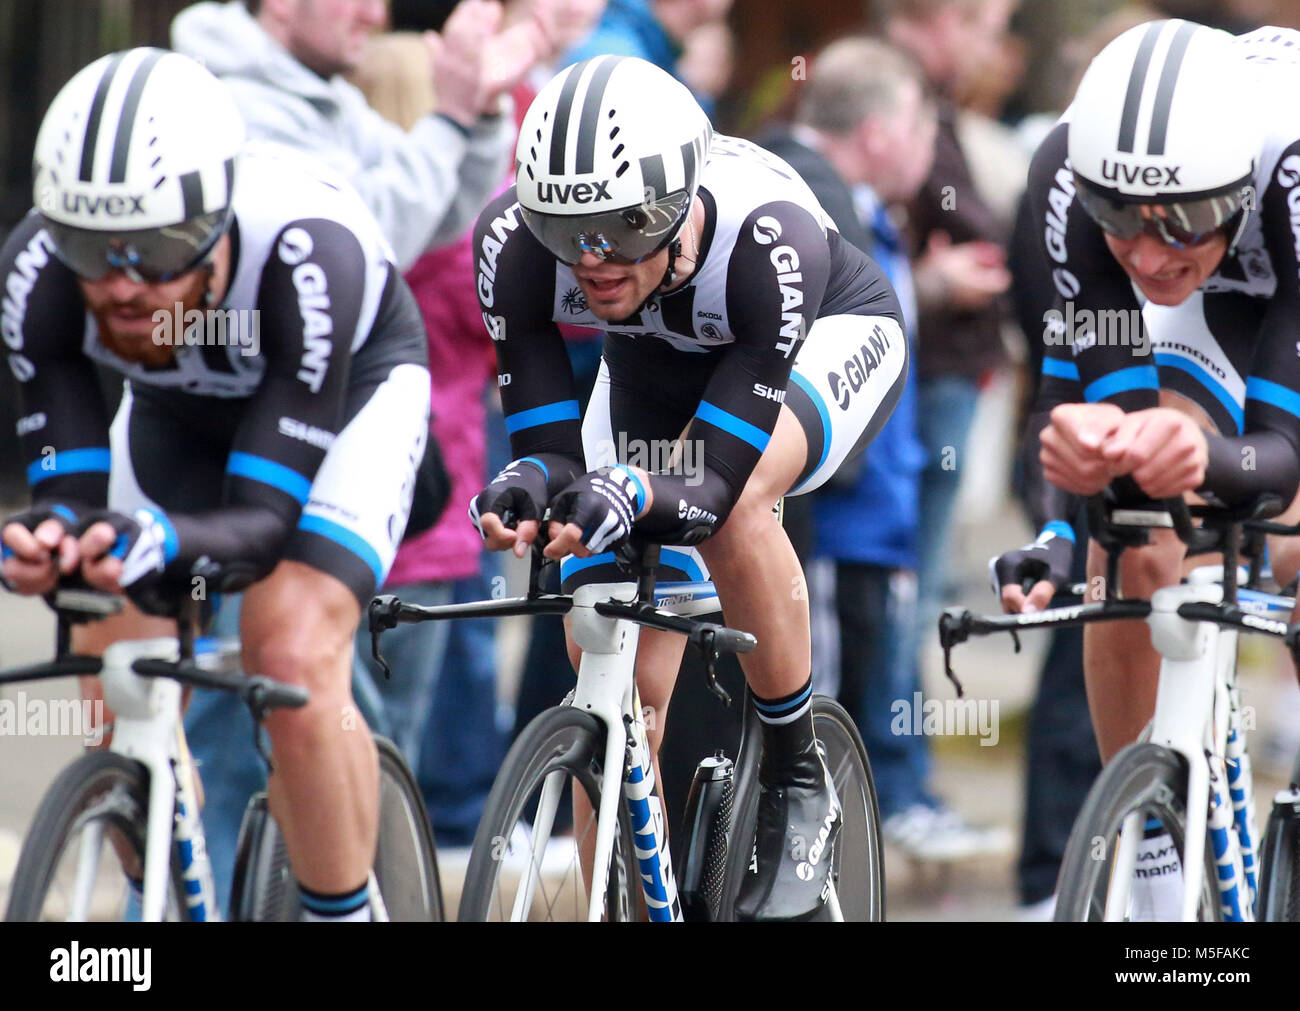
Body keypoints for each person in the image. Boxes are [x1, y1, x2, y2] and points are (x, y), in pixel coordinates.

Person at [468, 55, 908, 920]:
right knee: (607, 671)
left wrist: (632, 493)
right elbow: (551, 451)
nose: (594, 260)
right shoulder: (512, 244)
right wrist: (528, 483)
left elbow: (708, 484)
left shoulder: (765, 236)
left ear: (677, 205)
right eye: (568, 230)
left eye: (626, 227)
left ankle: (795, 767)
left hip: (821, 335)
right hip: (651, 365)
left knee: (735, 511)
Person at [1, 50, 430, 922]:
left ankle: (342, 909)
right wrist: (50, 542)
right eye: (91, 250)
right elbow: (72, 500)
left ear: (213, 222)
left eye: (155, 252)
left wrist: (163, 542)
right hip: (174, 418)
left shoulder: (310, 255)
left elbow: (265, 524)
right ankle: (159, 891)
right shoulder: (36, 273)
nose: (122, 287)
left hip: (346, 401)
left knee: (291, 648)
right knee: (114, 658)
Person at [993, 19, 1300, 920]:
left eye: (1181, 223)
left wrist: (1211, 456)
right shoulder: (1066, 174)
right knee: (1131, 526)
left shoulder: (1287, 171)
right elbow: (1093, 418)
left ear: (1233, 186)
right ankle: (1157, 862)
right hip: (1206, 312)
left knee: (1293, 550)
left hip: (1287, 283)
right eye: (1121, 220)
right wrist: (1069, 507)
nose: (1151, 252)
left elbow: (1279, 458)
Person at [761, 35, 1008, 863]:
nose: (927, 153)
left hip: (873, 508)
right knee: (808, 693)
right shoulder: (808, 192)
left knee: (856, 687)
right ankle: (797, 866)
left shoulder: (861, 204)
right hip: (835, 511)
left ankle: (852, 839)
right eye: (919, 131)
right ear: (877, 129)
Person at [171, 0, 545, 271]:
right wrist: (450, 117)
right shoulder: (241, 107)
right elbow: (371, 238)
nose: (375, 16)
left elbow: (441, 218)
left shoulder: (328, 92)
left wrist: (481, 108)